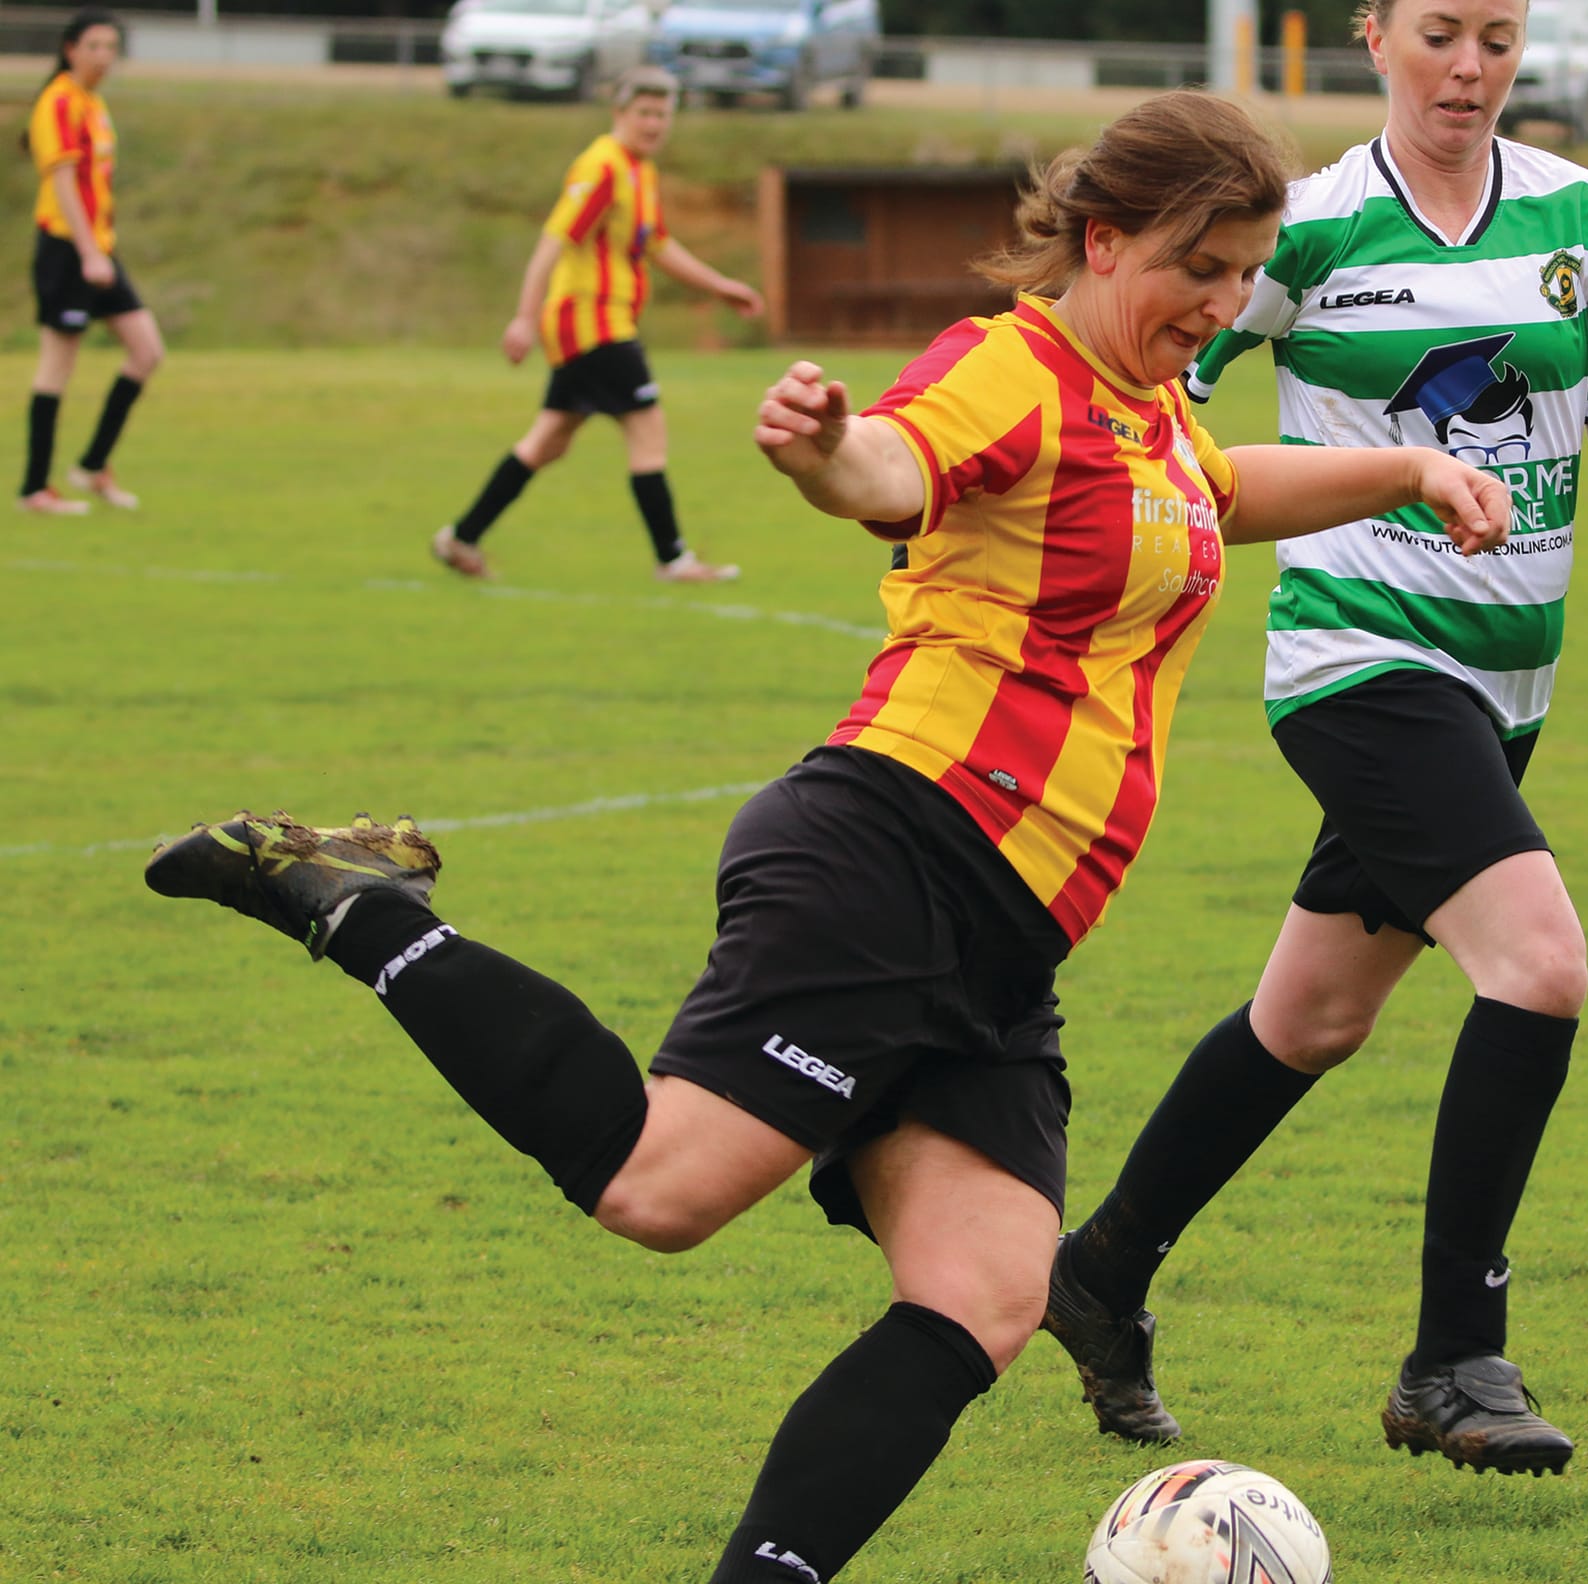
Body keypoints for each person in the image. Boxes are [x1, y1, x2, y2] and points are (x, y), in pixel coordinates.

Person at [143, 90, 1509, 1583]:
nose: (1225, 302)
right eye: (1202, 265)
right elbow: (895, 472)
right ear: (1104, 242)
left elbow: (1227, 489)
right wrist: (825, 451)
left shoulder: (1153, 411)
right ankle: (355, 905)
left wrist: (1409, 470)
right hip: (896, 851)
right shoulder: (1014, 369)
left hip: (1005, 934)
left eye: (1247, 271)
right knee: (659, 1192)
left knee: (988, 1294)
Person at [1043, 0, 1588, 1479]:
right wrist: (1358, 482)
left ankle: (1099, 1270)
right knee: (1538, 967)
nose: (1470, 68)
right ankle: (1453, 1361)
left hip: (1510, 683)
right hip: (1360, 663)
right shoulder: (1310, 232)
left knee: (1315, 1019)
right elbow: (1170, 416)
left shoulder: (1580, 213)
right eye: (1441, 35)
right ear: (1376, 38)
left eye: (1499, 37)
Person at [430, 65, 761, 585]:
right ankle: (673, 559)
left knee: (548, 441)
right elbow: (553, 242)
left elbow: (656, 245)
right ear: (619, 114)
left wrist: (719, 285)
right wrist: (523, 317)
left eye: (662, 114)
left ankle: (459, 538)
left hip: (599, 323)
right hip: (593, 321)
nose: (654, 123)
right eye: (644, 113)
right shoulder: (602, 167)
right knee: (648, 431)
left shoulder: (639, 170)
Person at [18, 8, 164, 516]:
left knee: (147, 351)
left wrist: (100, 248)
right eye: (95, 46)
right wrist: (85, 252)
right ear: (70, 49)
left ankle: (92, 466)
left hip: (99, 247)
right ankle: (35, 489)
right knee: (57, 365)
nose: (105, 55)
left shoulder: (93, 104)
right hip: (67, 249)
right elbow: (61, 182)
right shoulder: (58, 101)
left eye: (112, 46)